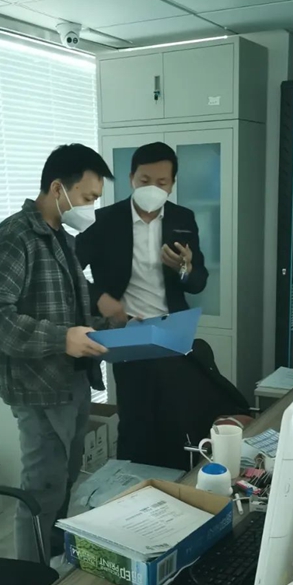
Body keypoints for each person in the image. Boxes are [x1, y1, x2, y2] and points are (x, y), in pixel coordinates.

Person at [0, 144, 113, 563]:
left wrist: (116, 325)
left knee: (63, 483)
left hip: (73, 381)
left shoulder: (62, 239)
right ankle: (30, 583)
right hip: (38, 388)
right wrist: (60, 339)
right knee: (40, 491)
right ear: (58, 188)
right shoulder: (16, 237)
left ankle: (52, 565)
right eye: (87, 197)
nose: (90, 207)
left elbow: (72, 312)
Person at [76, 141, 208, 467]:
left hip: (172, 331)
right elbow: (69, 270)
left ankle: (174, 484)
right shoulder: (104, 220)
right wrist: (99, 298)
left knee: (176, 416)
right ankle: (131, 484)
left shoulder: (183, 219)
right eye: (145, 180)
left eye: (162, 182)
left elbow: (198, 281)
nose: (153, 188)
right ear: (131, 178)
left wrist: (185, 268)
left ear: (172, 184)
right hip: (128, 333)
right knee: (135, 419)